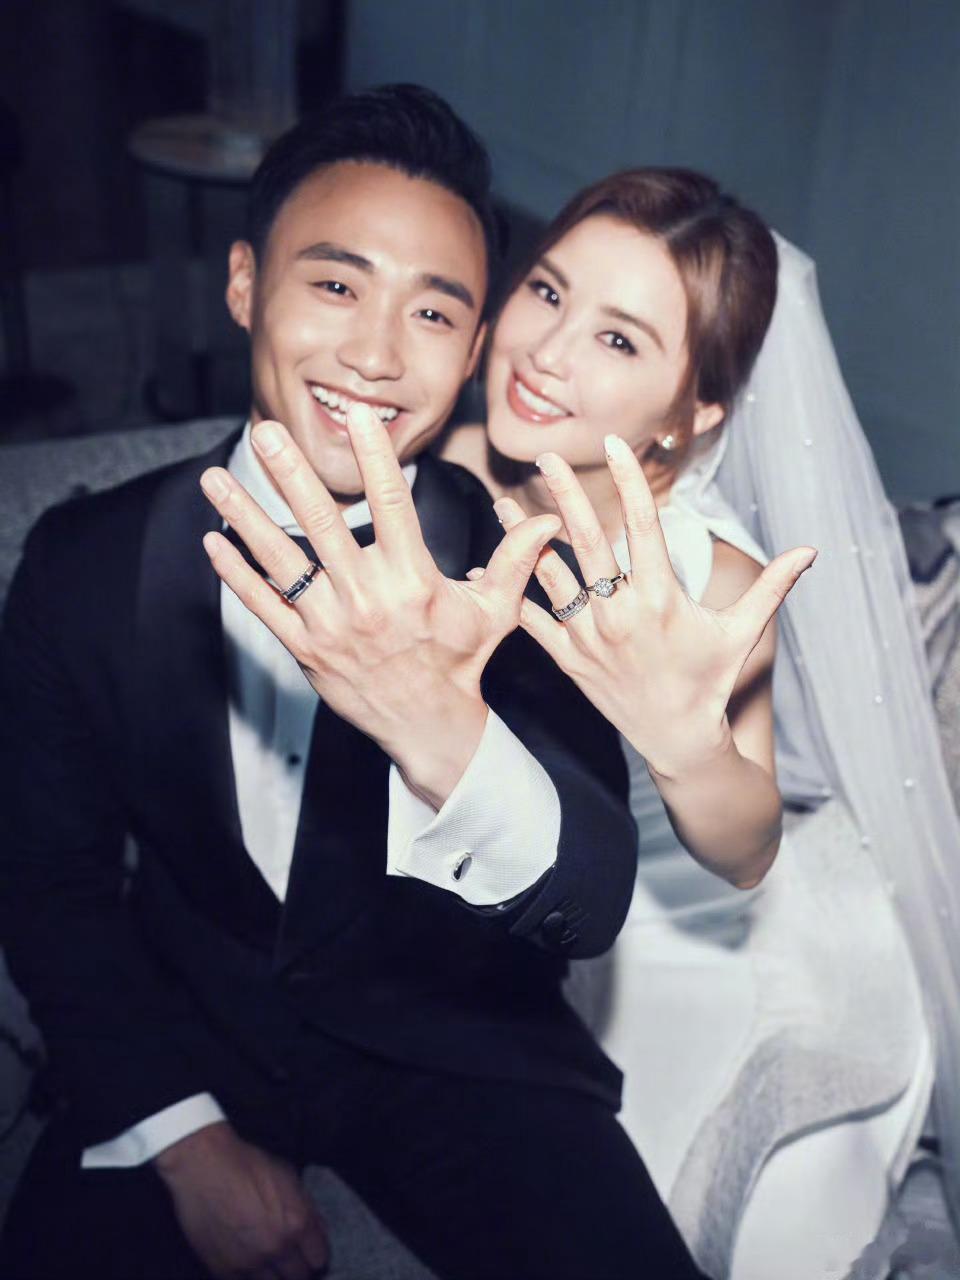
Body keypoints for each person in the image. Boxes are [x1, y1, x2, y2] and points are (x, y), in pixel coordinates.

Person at [0, 90, 713, 1280]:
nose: (378, 355)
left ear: (473, 349)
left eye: (433, 311)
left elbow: (589, 902)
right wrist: (182, 1135)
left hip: (462, 1052)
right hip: (190, 1034)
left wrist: (443, 728)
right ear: (244, 284)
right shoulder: (85, 565)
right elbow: (52, 884)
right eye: (336, 284)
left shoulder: (517, 563)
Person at [442, 168, 960, 1279]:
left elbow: (746, 847)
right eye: (548, 291)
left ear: (693, 415)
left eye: (618, 340)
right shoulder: (437, 467)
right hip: (519, 918)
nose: (547, 352)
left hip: (707, 939)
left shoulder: (711, 577)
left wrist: (681, 742)